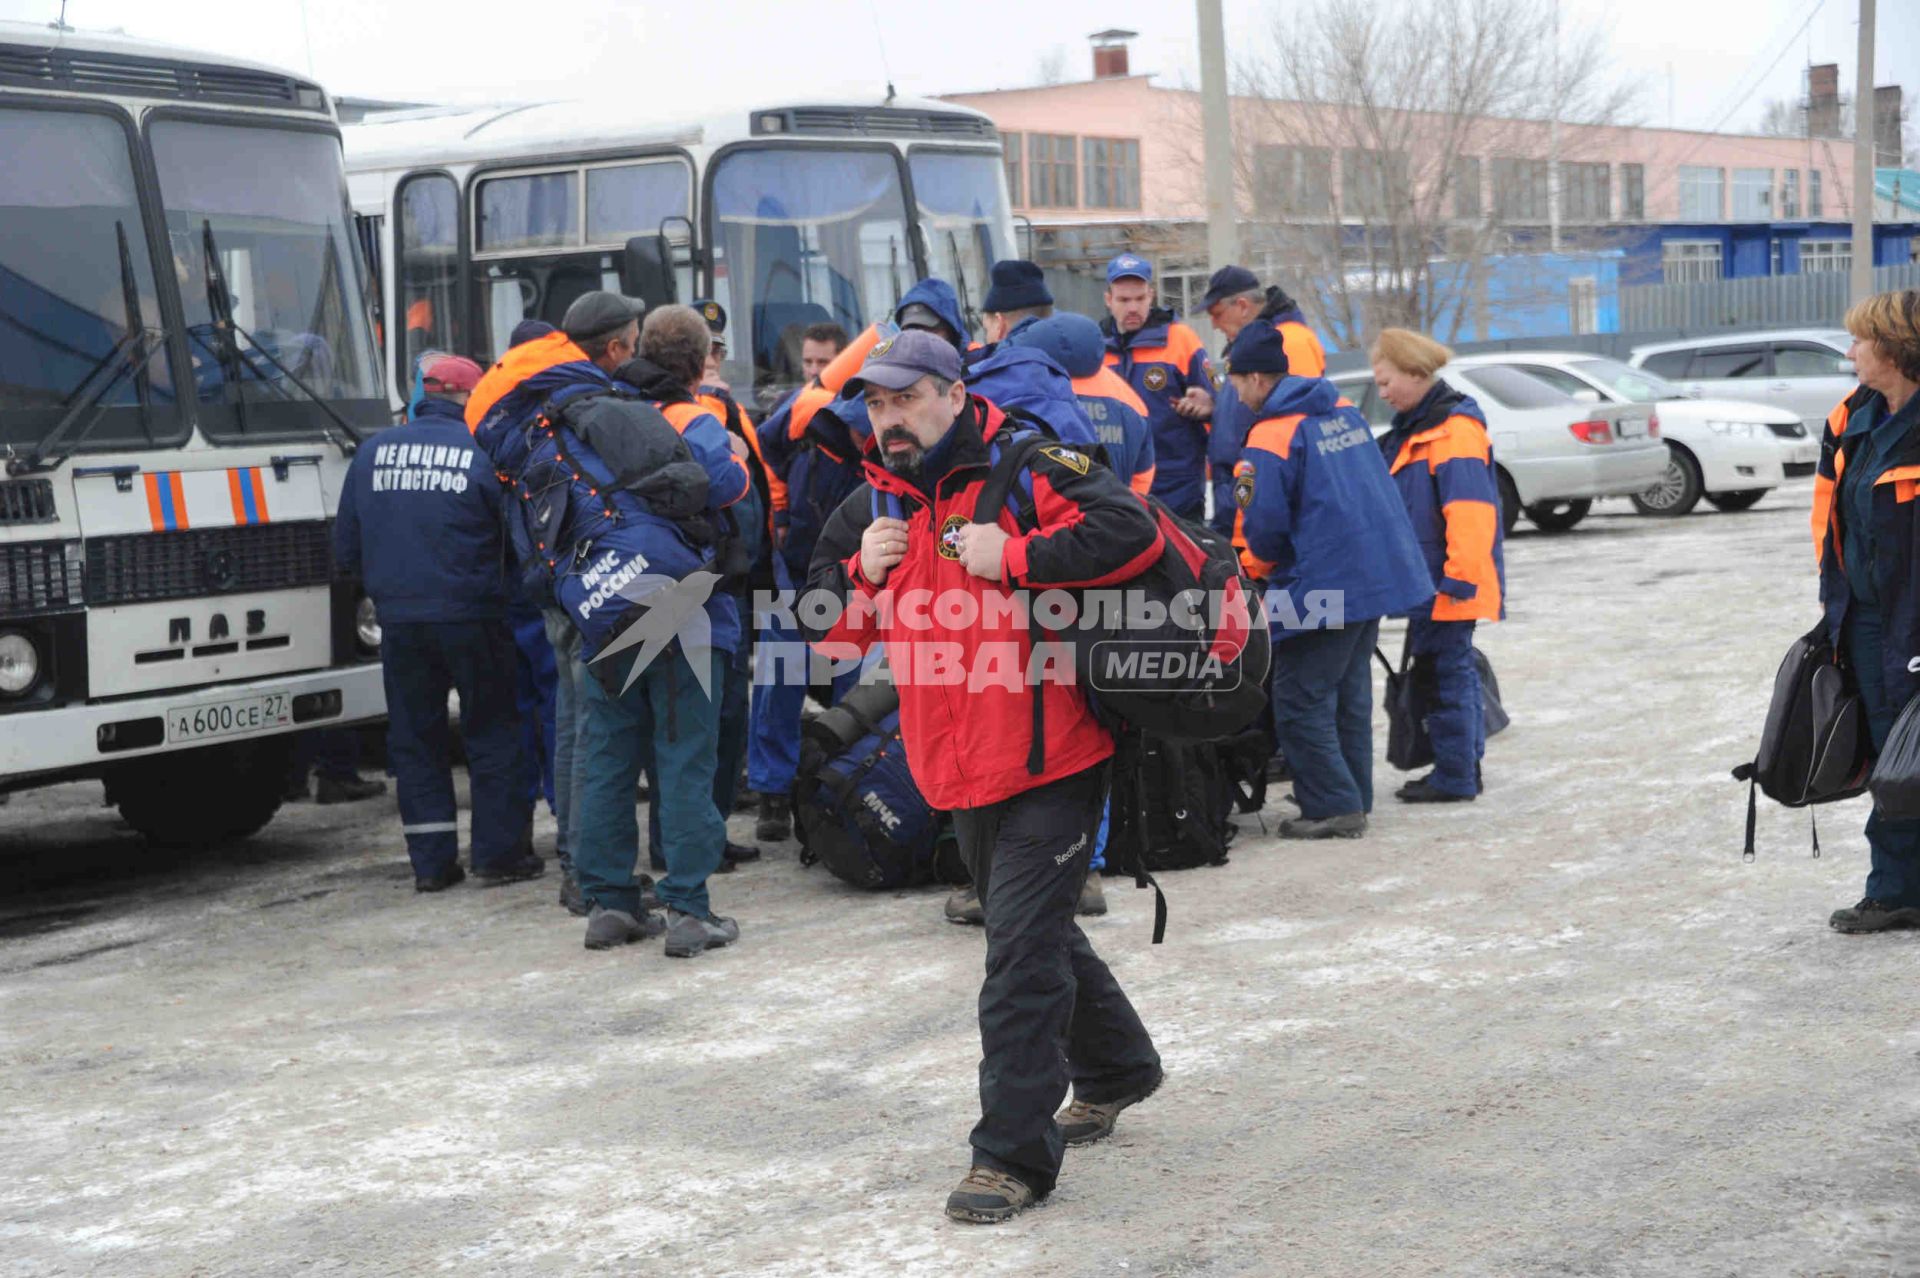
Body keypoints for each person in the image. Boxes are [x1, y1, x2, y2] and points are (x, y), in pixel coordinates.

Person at [802, 330, 1165, 1224]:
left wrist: (1017, 557)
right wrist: (861, 574)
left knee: (1020, 960)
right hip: (953, 765)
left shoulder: (1034, 465)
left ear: (955, 396)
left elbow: (1132, 529)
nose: (888, 420)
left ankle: (1010, 1158)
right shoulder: (873, 507)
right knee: (1024, 928)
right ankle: (1119, 1067)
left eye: (905, 400)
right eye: (876, 405)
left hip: (1058, 754)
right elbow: (826, 639)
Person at [573, 300, 752, 957]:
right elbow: (742, 512)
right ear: (701, 362)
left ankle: (610, 903)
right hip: (685, 609)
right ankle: (687, 909)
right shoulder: (695, 423)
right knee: (683, 757)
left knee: (608, 755)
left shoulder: (590, 417)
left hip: (600, 605)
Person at [333, 354, 541, 892]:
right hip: (475, 615)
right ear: (471, 400)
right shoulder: (484, 452)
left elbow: (345, 549)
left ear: (421, 396)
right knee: (493, 733)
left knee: (415, 741)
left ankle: (431, 865)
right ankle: (497, 857)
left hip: (400, 622)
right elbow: (519, 544)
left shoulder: (370, 454)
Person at [1229, 323, 1432, 840]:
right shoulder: (1341, 409)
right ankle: (1352, 794)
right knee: (1347, 691)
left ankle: (1331, 806)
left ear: (1255, 378)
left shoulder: (1270, 435)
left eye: (1235, 383)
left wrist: (1262, 568)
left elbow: (1265, 527)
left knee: (1300, 695)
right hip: (1376, 575)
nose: (1235, 394)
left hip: (1321, 582)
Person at [1812, 289, 1920, 934]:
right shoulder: (1851, 417)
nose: (1849, 351)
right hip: (1868, 618)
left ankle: (1894, 888)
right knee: (1894, 753)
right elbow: (1831, 520)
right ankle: (1898, 887)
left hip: (1910, 617)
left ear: (1896, 348)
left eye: (1859, 340)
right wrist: (1834, 610)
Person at [1370, 328, 1506, 804]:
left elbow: (1470, 512)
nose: (1382, 393)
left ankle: (1455, 776)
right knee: (1446, 671)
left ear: (1415, 373)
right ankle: (1461, 768)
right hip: (1432, 580)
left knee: (1448, 675)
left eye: (1387, 383)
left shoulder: (1455, 432)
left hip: (1449, 583)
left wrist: (1459, 580)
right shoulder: (1421, 429)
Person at [1201, 265, 1328, 536]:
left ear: (1243, 306)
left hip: (1258, 501)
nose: (1213, 323)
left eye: (1217, 313)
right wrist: (1213, 409)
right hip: (1239, 497)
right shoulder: (1256, 342)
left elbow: (1295, 428)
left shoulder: (1287, 342)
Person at [1099, 254, 1214, 521]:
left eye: (1140, 299)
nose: (1133, 308)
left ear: (1151, 296)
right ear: (1108, 300)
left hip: (1177, 487)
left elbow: (1216, 404)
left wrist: (1208, 408)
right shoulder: (1095, 348)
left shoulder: (1180, 340)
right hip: (1117, 489)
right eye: (1124, 300)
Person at [1007, 312, 1156, 497]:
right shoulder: (1131, 399)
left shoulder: (1030, 391)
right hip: (1115, 517)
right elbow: (1142, 479)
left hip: (1048, 520)